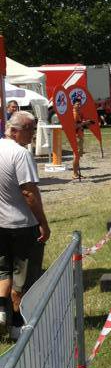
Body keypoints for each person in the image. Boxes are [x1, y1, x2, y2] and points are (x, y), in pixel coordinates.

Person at [0, 111, 50, 340]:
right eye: (30, 129)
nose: (33, 133)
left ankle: (2, 314)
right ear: (14, 130)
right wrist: (42, 222)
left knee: (3, 272)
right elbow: (29, 192)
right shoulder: (21, 154)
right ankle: (18, 326)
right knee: (22, 279)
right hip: (21, 225)